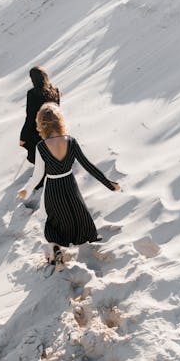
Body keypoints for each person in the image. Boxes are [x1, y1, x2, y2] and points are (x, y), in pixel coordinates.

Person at [17, 103, 121, 265]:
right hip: (70, 185)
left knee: (53, 220)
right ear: (60, 121)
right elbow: (88, 166)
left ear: (41, 124)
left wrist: (26, 189)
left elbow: (37, 175)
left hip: (53, 187)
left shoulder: (41, 147)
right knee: (76, 214)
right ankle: (69, 245)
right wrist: (109, 184)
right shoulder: (71, 142)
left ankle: (54, 250)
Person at [19, 66, 60, 164]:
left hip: (39, 131)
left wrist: (23, 137)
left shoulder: (32, 94)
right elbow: (57, 112)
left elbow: (30, 117)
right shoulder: (55, 91)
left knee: (37, 156)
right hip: (55, 129)